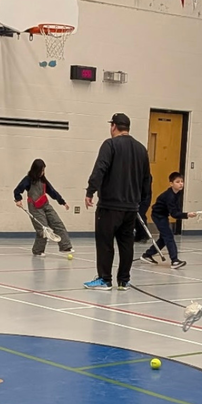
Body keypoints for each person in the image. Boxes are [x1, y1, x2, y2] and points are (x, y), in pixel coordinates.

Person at [84, 113, 152, 290]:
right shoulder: (141, 149)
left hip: (109, 206)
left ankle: (105, 279)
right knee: (126, 243)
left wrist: (91, 190)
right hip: (131, 207)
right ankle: (124, 280)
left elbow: (100, 168)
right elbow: (147, 178)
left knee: (105, 242)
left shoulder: (110, 144)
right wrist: (143, 201)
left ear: (114, 126)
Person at [14, 159, 73, 256]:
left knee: (57, 223)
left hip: (45, 205)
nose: (43, 172)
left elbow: (52, 192)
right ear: (36, 170)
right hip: (35, 207)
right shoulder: (28, 179)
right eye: (41, 170)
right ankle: (38, 250)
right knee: (43, 229)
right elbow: (17, 190)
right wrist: (18, 199)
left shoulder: (44, 181)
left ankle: (65, 247)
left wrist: (62, 202)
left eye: (44, 170)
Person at [140, 172, 197, 268]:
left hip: (163, 215)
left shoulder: (177, 193)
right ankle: (174, 260)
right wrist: (187, 215)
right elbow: (174, 214)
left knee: (163, 238)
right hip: (158, 216)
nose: (181, 184)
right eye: (177, 182)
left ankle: (148, 254)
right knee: (169, 236)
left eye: (182, 181)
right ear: (171, 183)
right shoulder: (169, 196)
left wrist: (184, 214)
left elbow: (176, 209)